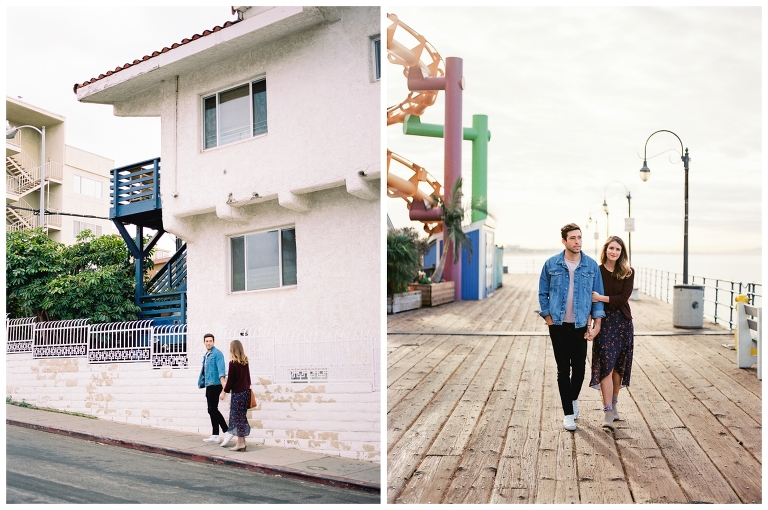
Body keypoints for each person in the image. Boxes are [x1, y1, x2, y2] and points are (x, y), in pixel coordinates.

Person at [539, 223, 605, 431]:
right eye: (573, 238)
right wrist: (549, 319)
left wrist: (596, 325)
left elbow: (597, 299)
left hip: (580, 326)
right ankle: (568, 413)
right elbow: (543, 294)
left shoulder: (591, 266)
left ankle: (573, 399)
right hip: (557, 324)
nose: (577, 242)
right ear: (564, 241)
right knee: (562, 369)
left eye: (579, 237)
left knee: (579, 369)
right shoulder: (551, 264)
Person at [589, 236, 635, 429]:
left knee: (618, 367)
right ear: (605, 250)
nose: (614, 252)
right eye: (611, 248)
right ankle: (607, 410)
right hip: (604, 322)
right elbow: (590, 298)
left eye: (617, 249)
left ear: (621, 252)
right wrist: (591, 321)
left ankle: (615, 403)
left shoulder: (628, 272)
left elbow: (623, 298)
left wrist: (601, 297)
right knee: (606, 364)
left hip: (623, 323)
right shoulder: (597, 271)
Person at [220, 339, 253, 451]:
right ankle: (242, 442)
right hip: (246, 393)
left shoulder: (233, 363)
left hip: (238, 394)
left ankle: (240, 443)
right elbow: (248, 378)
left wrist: (224, 391)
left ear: (232, 349)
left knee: (236, 418)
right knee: (241, 417)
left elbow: (231, 381)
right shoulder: (245, 361)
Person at [197, 333, 229, 443]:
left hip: (216, 385)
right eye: (207, 341)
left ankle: (226, 431)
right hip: (209, 384)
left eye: (210, 341)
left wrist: (223, 383)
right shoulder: (206, 355)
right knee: (211, 410)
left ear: (213, 342)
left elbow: (221, 369)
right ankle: (215, 435)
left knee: (212, 409)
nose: (209, 343)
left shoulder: (217, 354)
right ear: (204, 342)